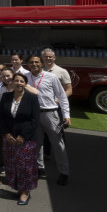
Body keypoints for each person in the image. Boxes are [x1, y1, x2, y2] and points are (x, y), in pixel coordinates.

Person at [25, 56, 71, 185]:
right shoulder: (25, 77)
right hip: (33, 115)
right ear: (27, 64)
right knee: (37, 143)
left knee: (58, 144)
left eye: (36, 62)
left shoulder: (51, 77)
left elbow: (62, 96)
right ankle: (40, 168)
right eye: (31, 62)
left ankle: (64, 172)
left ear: (41, 63)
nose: (34, 64)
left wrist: (66, 115)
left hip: (50, 114)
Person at [0, 72, 41, 205]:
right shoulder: (6, 96)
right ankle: (17, 187)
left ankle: (25, 191)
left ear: (25, 84)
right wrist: (7, 133)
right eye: (16, 81)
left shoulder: (32, 98)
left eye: (22, 81)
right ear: (12, 82)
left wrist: (23, 136)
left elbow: (35, 120)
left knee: (24, 165)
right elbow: (1, 117)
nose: (19, 83)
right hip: (9, 137)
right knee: (11, 164)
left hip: (26, 138)